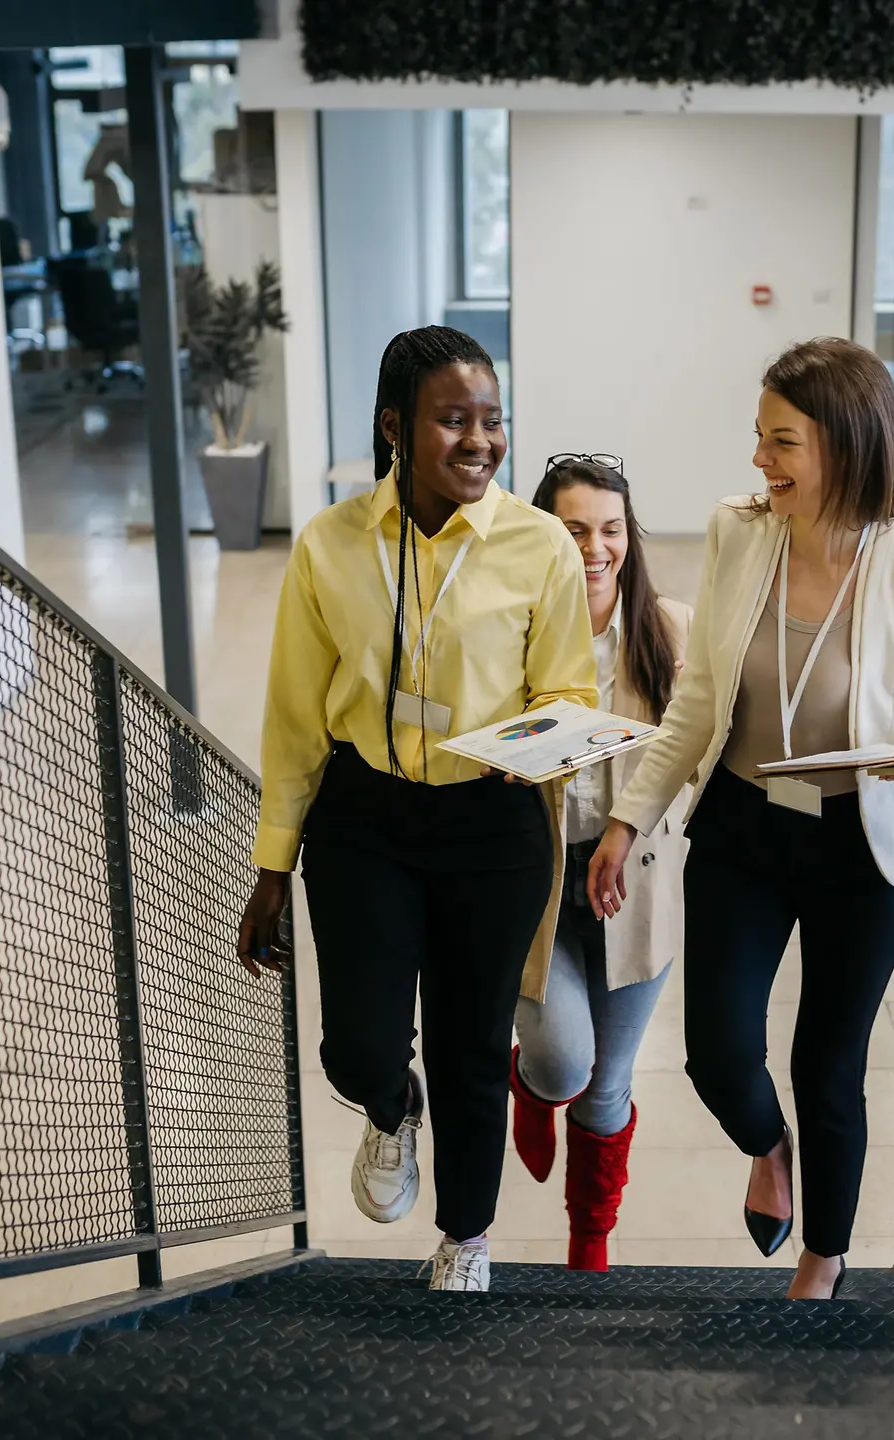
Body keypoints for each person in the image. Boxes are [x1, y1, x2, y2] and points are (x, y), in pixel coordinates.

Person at [587, 337, 894, 1300]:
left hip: (858, 841)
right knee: (717, 1051)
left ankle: (824, 1258)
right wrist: (630, 820)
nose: (760, 461)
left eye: (781, 441)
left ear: (843, 444)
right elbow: (699, 695)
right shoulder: (739, 531)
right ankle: (769, 1149)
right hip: (743, 829)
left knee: (829, 1063)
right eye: (759, 438)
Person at [236, 326, 596, 1293]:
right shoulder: (330, 545)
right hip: (367, 818)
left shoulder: (538, 545)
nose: (480, 440)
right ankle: (392, 1105)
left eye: (492, 419)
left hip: (493, 822)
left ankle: (465, 1239)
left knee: (474, 1045)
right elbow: (293, 719)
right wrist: (273, 866)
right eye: (453, 420)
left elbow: (571, 694)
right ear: (396, 427)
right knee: (355, 1043)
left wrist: (543, 747)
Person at [510, 455, 693, 1271]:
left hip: (635, 891)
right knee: (562, 1065)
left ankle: (590, 1243)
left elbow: (707, 758)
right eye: (574, 529)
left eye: (611, 529)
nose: (595, 547)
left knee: (609, 1086)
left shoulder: (672, 633)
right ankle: (531, 1087)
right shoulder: (510, 634)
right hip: (539, 889)